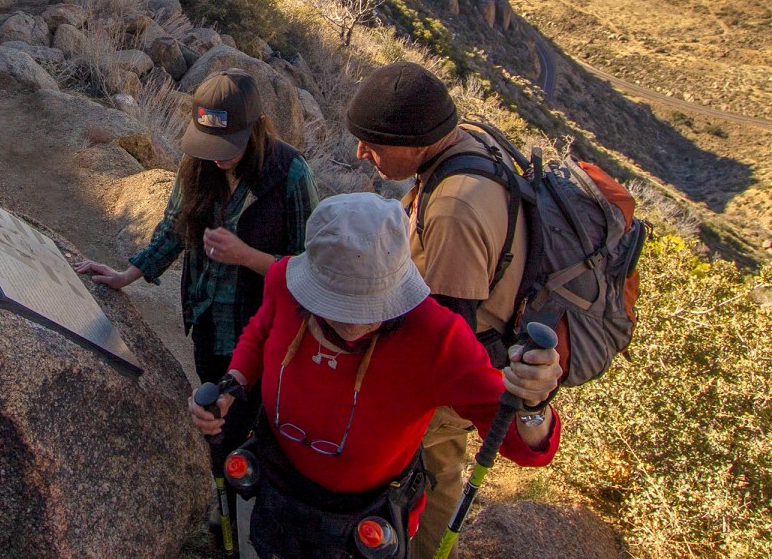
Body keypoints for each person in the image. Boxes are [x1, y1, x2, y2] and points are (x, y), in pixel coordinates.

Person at [188, 192, 561, 559]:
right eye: (335, 302)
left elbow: (519, 442)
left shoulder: (436, 336)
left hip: (363, 519)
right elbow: (261, 330)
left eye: (368, 304)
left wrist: (533, 403)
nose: (353, 321)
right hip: (274, 481)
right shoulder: (284, 281)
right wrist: (234, 382)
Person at [76, 67, 319, 459]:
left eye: (229, 145)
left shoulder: (289, 174)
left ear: (257, 128)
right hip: (207, 318)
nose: (218, 158)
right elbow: (173, 227)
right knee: (212, 411)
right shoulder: (199, 163)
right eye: (210, 144)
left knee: (244, 424)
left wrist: (246, 256)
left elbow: (310, 270)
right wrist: (128, 275)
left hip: (262, 330)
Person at [344, 61, 534, 558]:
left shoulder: (454, 208)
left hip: (458, 370)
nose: (362, 154)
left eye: (375, 145)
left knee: (432, 467)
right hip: (476, 338)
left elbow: (445, 333)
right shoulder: (462, 139)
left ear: (420, 141)